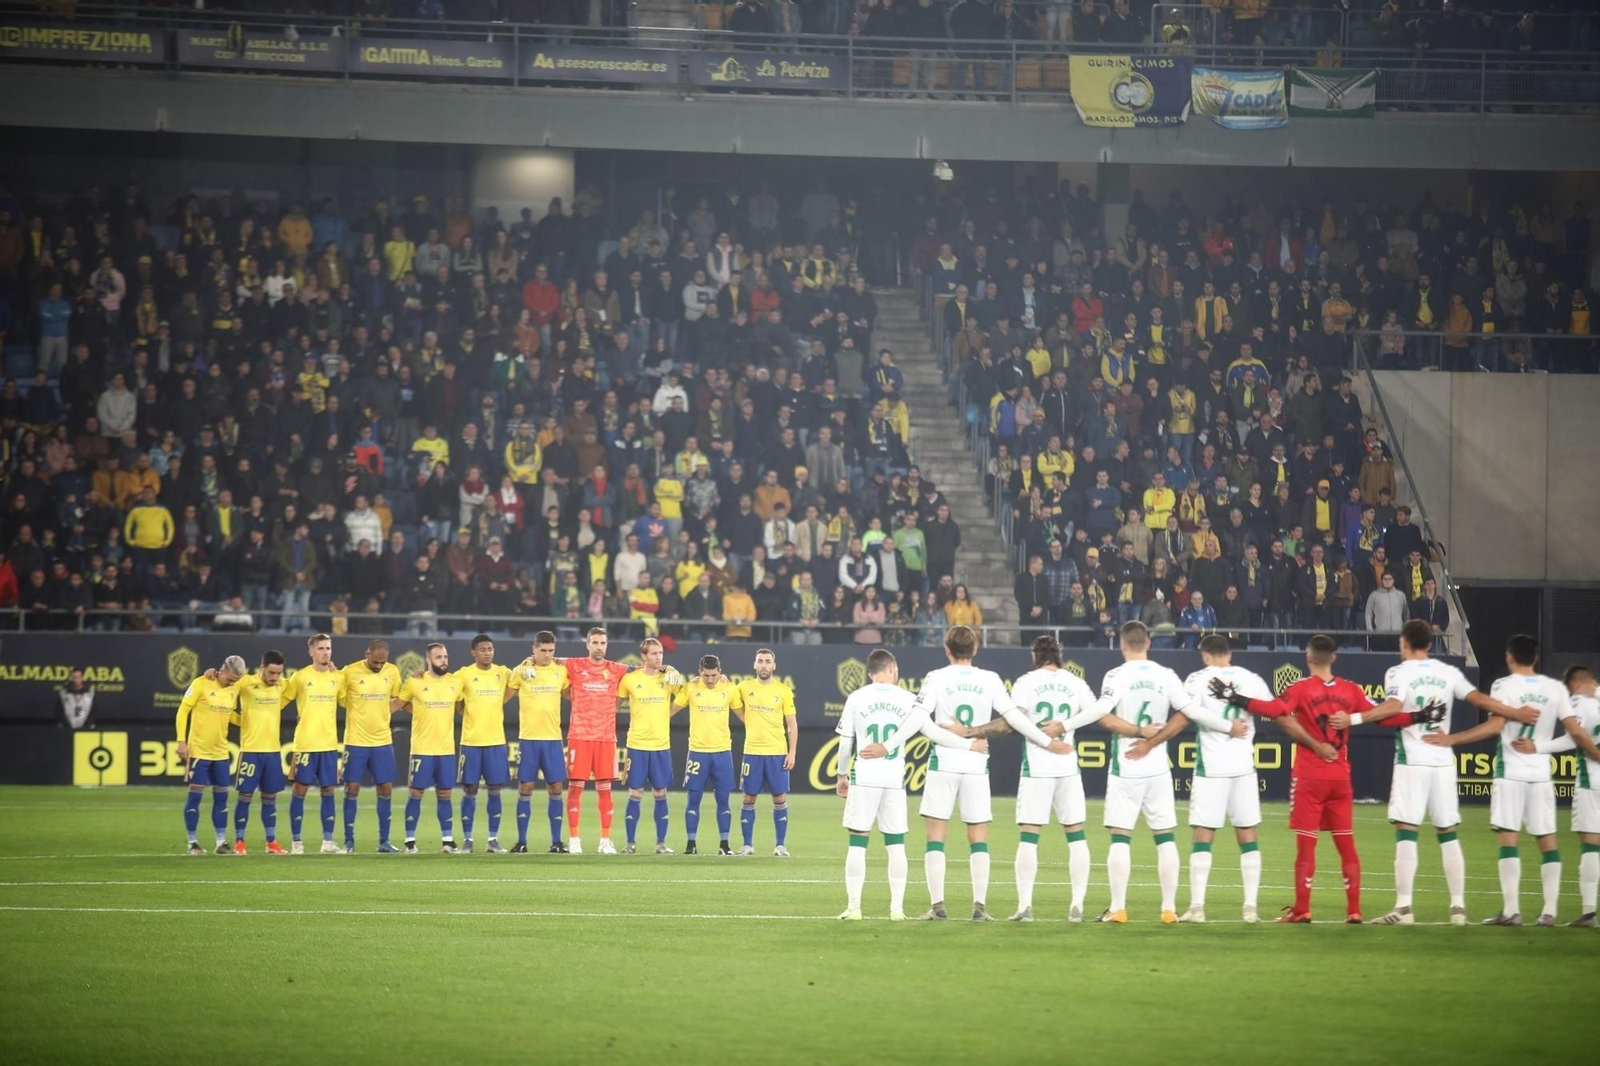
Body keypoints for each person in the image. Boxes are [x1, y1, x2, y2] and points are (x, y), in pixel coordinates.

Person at [1343, 620, 1538, 926]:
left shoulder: (1398, 672)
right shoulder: (1447, 672)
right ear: (1430, 643)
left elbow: (1392, 707)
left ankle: (1404, 908)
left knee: (1406, 831)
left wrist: (1352, 719)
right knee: (1447, 833)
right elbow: (1479, 699)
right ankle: (1458, 907)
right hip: (1443, 761)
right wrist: (1515, 713)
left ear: (1404, 643)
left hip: (1412, 760)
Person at [1219, 635, 1411, 924]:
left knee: (1306, 845)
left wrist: (1238, 698)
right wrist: (1418, 716)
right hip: (1339, 776)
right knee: (1346, 844)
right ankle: (1354, 910)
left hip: (1309, 775)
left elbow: (1276, 710)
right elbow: (1384, 718)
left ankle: (1302, 909)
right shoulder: (1351, 690)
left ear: (1308, 658)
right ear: (1334, 657)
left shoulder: (1300, 688)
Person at [909, 625, 1065, 922]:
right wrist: (1047, 742)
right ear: (975, 649)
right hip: (977, 763)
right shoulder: (990, 679)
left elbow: (919, 718)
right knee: (978, 836)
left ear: (947, 650)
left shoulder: (936, 678)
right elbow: (1014, 719)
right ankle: (979, 907)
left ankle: (938, 905)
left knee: (936, 836)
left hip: (944, 761)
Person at [1414, 634, 1568, 927]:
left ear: (1509, 657)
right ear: (1536, 658)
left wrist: (1452, 739)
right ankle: (1549, 911)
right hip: (1541, 775)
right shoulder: (1555, 688)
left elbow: (1495, 726)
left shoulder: (1503, 686)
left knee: (1509, 840)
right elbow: (1572, 731)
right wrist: (1541, 747)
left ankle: (1511, 911)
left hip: (1511, 773)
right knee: (1547, 840)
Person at [834, 648, 988, 921]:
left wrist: (841, 774)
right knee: (896, 845)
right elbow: (934, 733)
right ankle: (897, 909)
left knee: (857, 843)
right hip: (894, 780)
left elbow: (846, 742)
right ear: (892, 669)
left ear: (869, 672)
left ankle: (854, 907)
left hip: (865, 777)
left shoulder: (856, 697)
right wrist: (969, 745)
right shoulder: (908, 699)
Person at [976, 635, 1104, 921]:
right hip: (1068, 766)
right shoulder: (1075, 682)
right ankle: (1077, 905)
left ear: (1035, 655)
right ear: (1059, 654)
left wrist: (1044, 740)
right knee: (1076, 834)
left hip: (1037, 768)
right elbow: (1097, 710)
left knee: (1029, 836)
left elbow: (1015, 720)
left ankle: (1025, 906)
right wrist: (1066, 725)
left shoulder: (1026, 682)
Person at [1089, 621, 1199, 923]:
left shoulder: (1116, 675)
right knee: (1165, 837)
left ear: (1122, 644)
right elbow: (1186, 714)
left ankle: (1118, 908)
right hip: (1158, 767)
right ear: (1148, 643)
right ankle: (1169, 910)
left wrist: (1139, 734)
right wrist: (1153, 742)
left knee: (1120, 837)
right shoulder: (1167, 675)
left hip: (1126, 765)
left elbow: (1104, 717)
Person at [1177, 636, 1272, 923]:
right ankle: (1250, 908)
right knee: (1247, 834)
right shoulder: (1250, 678)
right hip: (1244, 766)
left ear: (1205, 655)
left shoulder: (1198, 678)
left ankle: (1197, 908)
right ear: (1229, 654)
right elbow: (1271, 709)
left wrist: (1224, 725)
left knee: (1203, 834)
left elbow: (1188, 712)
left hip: (1212, 768)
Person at [1535, 666, 1600, 925]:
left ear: (1573, 685)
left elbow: (1573, 738)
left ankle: (1589, 911)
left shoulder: (1578, 703)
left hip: (1592, 781)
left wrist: (1538, 747)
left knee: (1591, 843)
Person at [561, 628, 632, 855]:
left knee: (605, 790)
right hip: (579, 736)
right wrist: (528, 661)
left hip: (605, 738)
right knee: (575, 789)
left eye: (603, 643)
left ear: (607, 645)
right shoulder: (574, 665)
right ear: (587, 644)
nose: (599, 647)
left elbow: (644, 669)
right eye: (595, 642)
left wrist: (667, 668)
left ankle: (605, 841)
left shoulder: (616, 669)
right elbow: (548, 660)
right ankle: (574, 839)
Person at [394, 642, 467, 853]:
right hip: (422, 749)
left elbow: (461, 706)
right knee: (416, 792)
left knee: (445, 793)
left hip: (446, 750)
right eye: (438, 657)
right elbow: (398, 704)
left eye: (445, 656)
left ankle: (447, 841)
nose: (443, 660)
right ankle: (410, 841)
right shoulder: (415, 682)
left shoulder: (455, 682)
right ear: (428, 660)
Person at [615, 637, 683, 855]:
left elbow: (686, 694)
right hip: (637, 745)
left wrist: (668, 712)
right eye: (654, 653)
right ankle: (630, 843)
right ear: (643, 656)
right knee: (635, 792)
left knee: (660, 792)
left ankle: (661, 843)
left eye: (660, 653)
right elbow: (615, 704)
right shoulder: (630, 679)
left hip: (661, 745)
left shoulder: (669, 677)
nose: (659, 657)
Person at [506, 632, 572, 853]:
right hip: (529, 739)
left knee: (556, 787)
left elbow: (570, 695)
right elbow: (503, 697)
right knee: (526, 787)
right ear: (534, 649)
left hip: (552, 739)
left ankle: (556, 842)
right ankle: (521, 842)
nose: (547, 654)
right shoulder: (521, 671)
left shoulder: (560, 670)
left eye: (551, 650)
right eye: (543, 650)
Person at [282, 635, 348, 854]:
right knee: (300, 789)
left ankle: (328, 842)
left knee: (328, 789)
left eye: (328, 648)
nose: (325, 652)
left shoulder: (337, 677)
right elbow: (281, 699)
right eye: (321, 648)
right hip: (305, 744)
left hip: (328, 744)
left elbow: (346, 701)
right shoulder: (300, 677)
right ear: (311, 652)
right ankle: (296, 842)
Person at [674, 655, 744, 856]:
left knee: (723, 800)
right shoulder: (690, 688)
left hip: (722, 753)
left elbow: (744, 716)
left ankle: (724, 845)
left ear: (720, 672)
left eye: (714, 675)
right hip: (697, 753)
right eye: (706, 675)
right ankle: (691, 844)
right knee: (693, 799)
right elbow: (668, 711)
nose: (710, 679)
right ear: (700, 672)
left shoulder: (729, 688)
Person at [174, 655, 244, 855]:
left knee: (222, 798)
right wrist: (181, 741)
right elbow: (183, 711)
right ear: (223, 669)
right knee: (195, 797)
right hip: (199, 752)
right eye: (230, 679)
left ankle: (221, 842)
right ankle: (192, 843)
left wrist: (249, 721)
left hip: (220, 753)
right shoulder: (201, 683)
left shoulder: (234, 689)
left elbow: (229, 715)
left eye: (235, 681)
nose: (232, 683)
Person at [340, 638, 403, 853]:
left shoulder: (392, 671)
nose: (378, 666)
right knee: (352, 787)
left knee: (385, 788)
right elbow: (339, 698)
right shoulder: (349, 672)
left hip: (382, 740)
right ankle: (349, 841)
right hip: (356, 740)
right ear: (367, 654)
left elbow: (398, 698)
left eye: (382, 662)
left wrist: (385, 710)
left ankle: (384, 841)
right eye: (375, 662)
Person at [735, 648, 799, 857]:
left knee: (779, 798)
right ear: (754, 664)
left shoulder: (783, 691)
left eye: (767, 661)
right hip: (752, 752)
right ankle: (747, 845)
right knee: (748, 798)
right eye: (760, 661)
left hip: (777, 753)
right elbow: (726, 695)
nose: (764, 665)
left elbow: (792, 725)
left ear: (774, 665)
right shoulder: (744, 687)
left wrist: (792, 753)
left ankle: (780, 846)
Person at [453, 634, 512, 854]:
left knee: (495, 789)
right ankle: (467, 840)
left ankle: (492, 840)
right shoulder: (463, 674)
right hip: (471, 742)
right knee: (470, 789)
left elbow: (520, 680)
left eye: (490, 649)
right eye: (483, 649)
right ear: (473, 652)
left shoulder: (503, 673)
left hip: (496, 741)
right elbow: (452, 695)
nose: (487, 653)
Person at [230, 650, 290, 855]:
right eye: (271, 673)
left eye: (279, 673)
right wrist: (242, 721)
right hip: (250, 750)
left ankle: (271, 842)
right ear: (262, 667)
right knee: (245, 796)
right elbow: (223, 692)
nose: (275, 678)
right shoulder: (245, 683)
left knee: (270, 797)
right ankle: (239, 841)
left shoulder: (283, 685)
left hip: (273, 751)